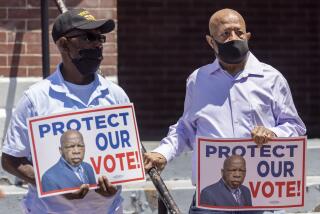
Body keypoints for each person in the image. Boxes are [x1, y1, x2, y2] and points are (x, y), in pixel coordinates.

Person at [144, 8, 306, 213]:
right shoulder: (198, 80)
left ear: (247, 36)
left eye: (239, 33)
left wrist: (273, 133)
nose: (233, 38)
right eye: (225, 34)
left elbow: (295, 126)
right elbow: (186, 128)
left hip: (261, 200)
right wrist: (162, 153)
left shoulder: (271, 78)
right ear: (211, 42)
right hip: (210, 201)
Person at [1, 9, 129, 213]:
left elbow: (126, 153)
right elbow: (10, 159)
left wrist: (120, 178)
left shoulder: (116, 95)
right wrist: (51, 184)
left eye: (100, 37)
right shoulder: (36, 98)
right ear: (63, 44)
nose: (97, 43)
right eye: (89, 37)